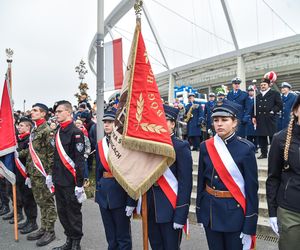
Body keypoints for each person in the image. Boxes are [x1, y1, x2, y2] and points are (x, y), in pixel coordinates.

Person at [196, 100, 258, 250]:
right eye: (216, 120)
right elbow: (200, 182)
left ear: (235, 122)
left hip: (234, 213)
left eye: (224, 120)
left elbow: (251, 189)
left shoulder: (246, 149)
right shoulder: (206, 146)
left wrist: (250, 222)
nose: (219, 124)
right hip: (210, 211)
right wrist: (200, 210)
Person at [147, 104, 192, 250]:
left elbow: (186, 184)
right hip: (151, 208)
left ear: (172, 124)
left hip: (170, 208)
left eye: (165, 120)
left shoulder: (180, 146)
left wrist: (181, 214)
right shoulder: (150, 145)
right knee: (156, 246)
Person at [95, 108, 137, 250]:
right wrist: (98, 190)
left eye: (110, 122)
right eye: (105, 122)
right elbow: (98, 171)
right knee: (110, 235)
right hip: (104, 194)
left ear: (117, 124)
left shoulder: (125, 144)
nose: (106, 125)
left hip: (120, 194)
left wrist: (132, 201)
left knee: (123, 236)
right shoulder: (100, 144)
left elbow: (132, 174)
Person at [19, 103, 57, 246]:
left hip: (43, 174)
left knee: (47, 203)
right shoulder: (35, 129)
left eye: (35, 111)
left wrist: (50, 174)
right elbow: (31, 151)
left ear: (43, 114)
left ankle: (50, 231)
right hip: (34, 173)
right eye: (32, 110)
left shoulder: (47, 130)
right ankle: (44, 227)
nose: (32, 112)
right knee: (40, 202)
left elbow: (51, 154)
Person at [266, 94, 300, 250]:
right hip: (291, 211)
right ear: (295, 110)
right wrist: (272, 211)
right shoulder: (280, 138)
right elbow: (273, 178)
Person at [51, 100, 86, 250]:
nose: (56, 114)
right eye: (56, 112)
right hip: (59, 180)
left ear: (68, 112)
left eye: (59, 111)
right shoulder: (59, 131)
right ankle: (68, 241)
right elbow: (55, 156)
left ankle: (76, 243)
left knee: (73, 214)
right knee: (62, 212)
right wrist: (50, 176)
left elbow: (79, 161)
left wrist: (79, 184)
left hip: (71, 181)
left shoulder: (76, 132)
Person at [15, 117, 38, 234]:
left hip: (27, 174)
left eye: (22, 125)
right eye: (19, 125)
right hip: (19, 174)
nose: (19, 127)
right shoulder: (19, 139)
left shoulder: (30, 139)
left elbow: (27, 155)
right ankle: (28, 219)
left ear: (29, 127)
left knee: (29, 199)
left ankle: (33, 222)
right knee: (23, 199)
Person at [252, 74, 283, 159]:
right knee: (262, 138)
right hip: (260, 119)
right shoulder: (257, 96)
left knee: (273, 137)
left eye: (264, 85)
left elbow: (279, 105)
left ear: (268, 85)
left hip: (270, 118)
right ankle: (264, 153)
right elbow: (254, 107)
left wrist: (273, 111)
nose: (262, 86)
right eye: (261, 85)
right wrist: (253, 117)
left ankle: (274, 154)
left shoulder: (274, 93)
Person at [245, 86, 258, 151]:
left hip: (255, 118)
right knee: (249, 135)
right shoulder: (246, 99)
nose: (251, 92)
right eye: (249, 91)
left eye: (252, 91)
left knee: (255, 134)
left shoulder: (257, 99)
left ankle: (256, 147)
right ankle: (250, 147)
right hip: (248, 118)